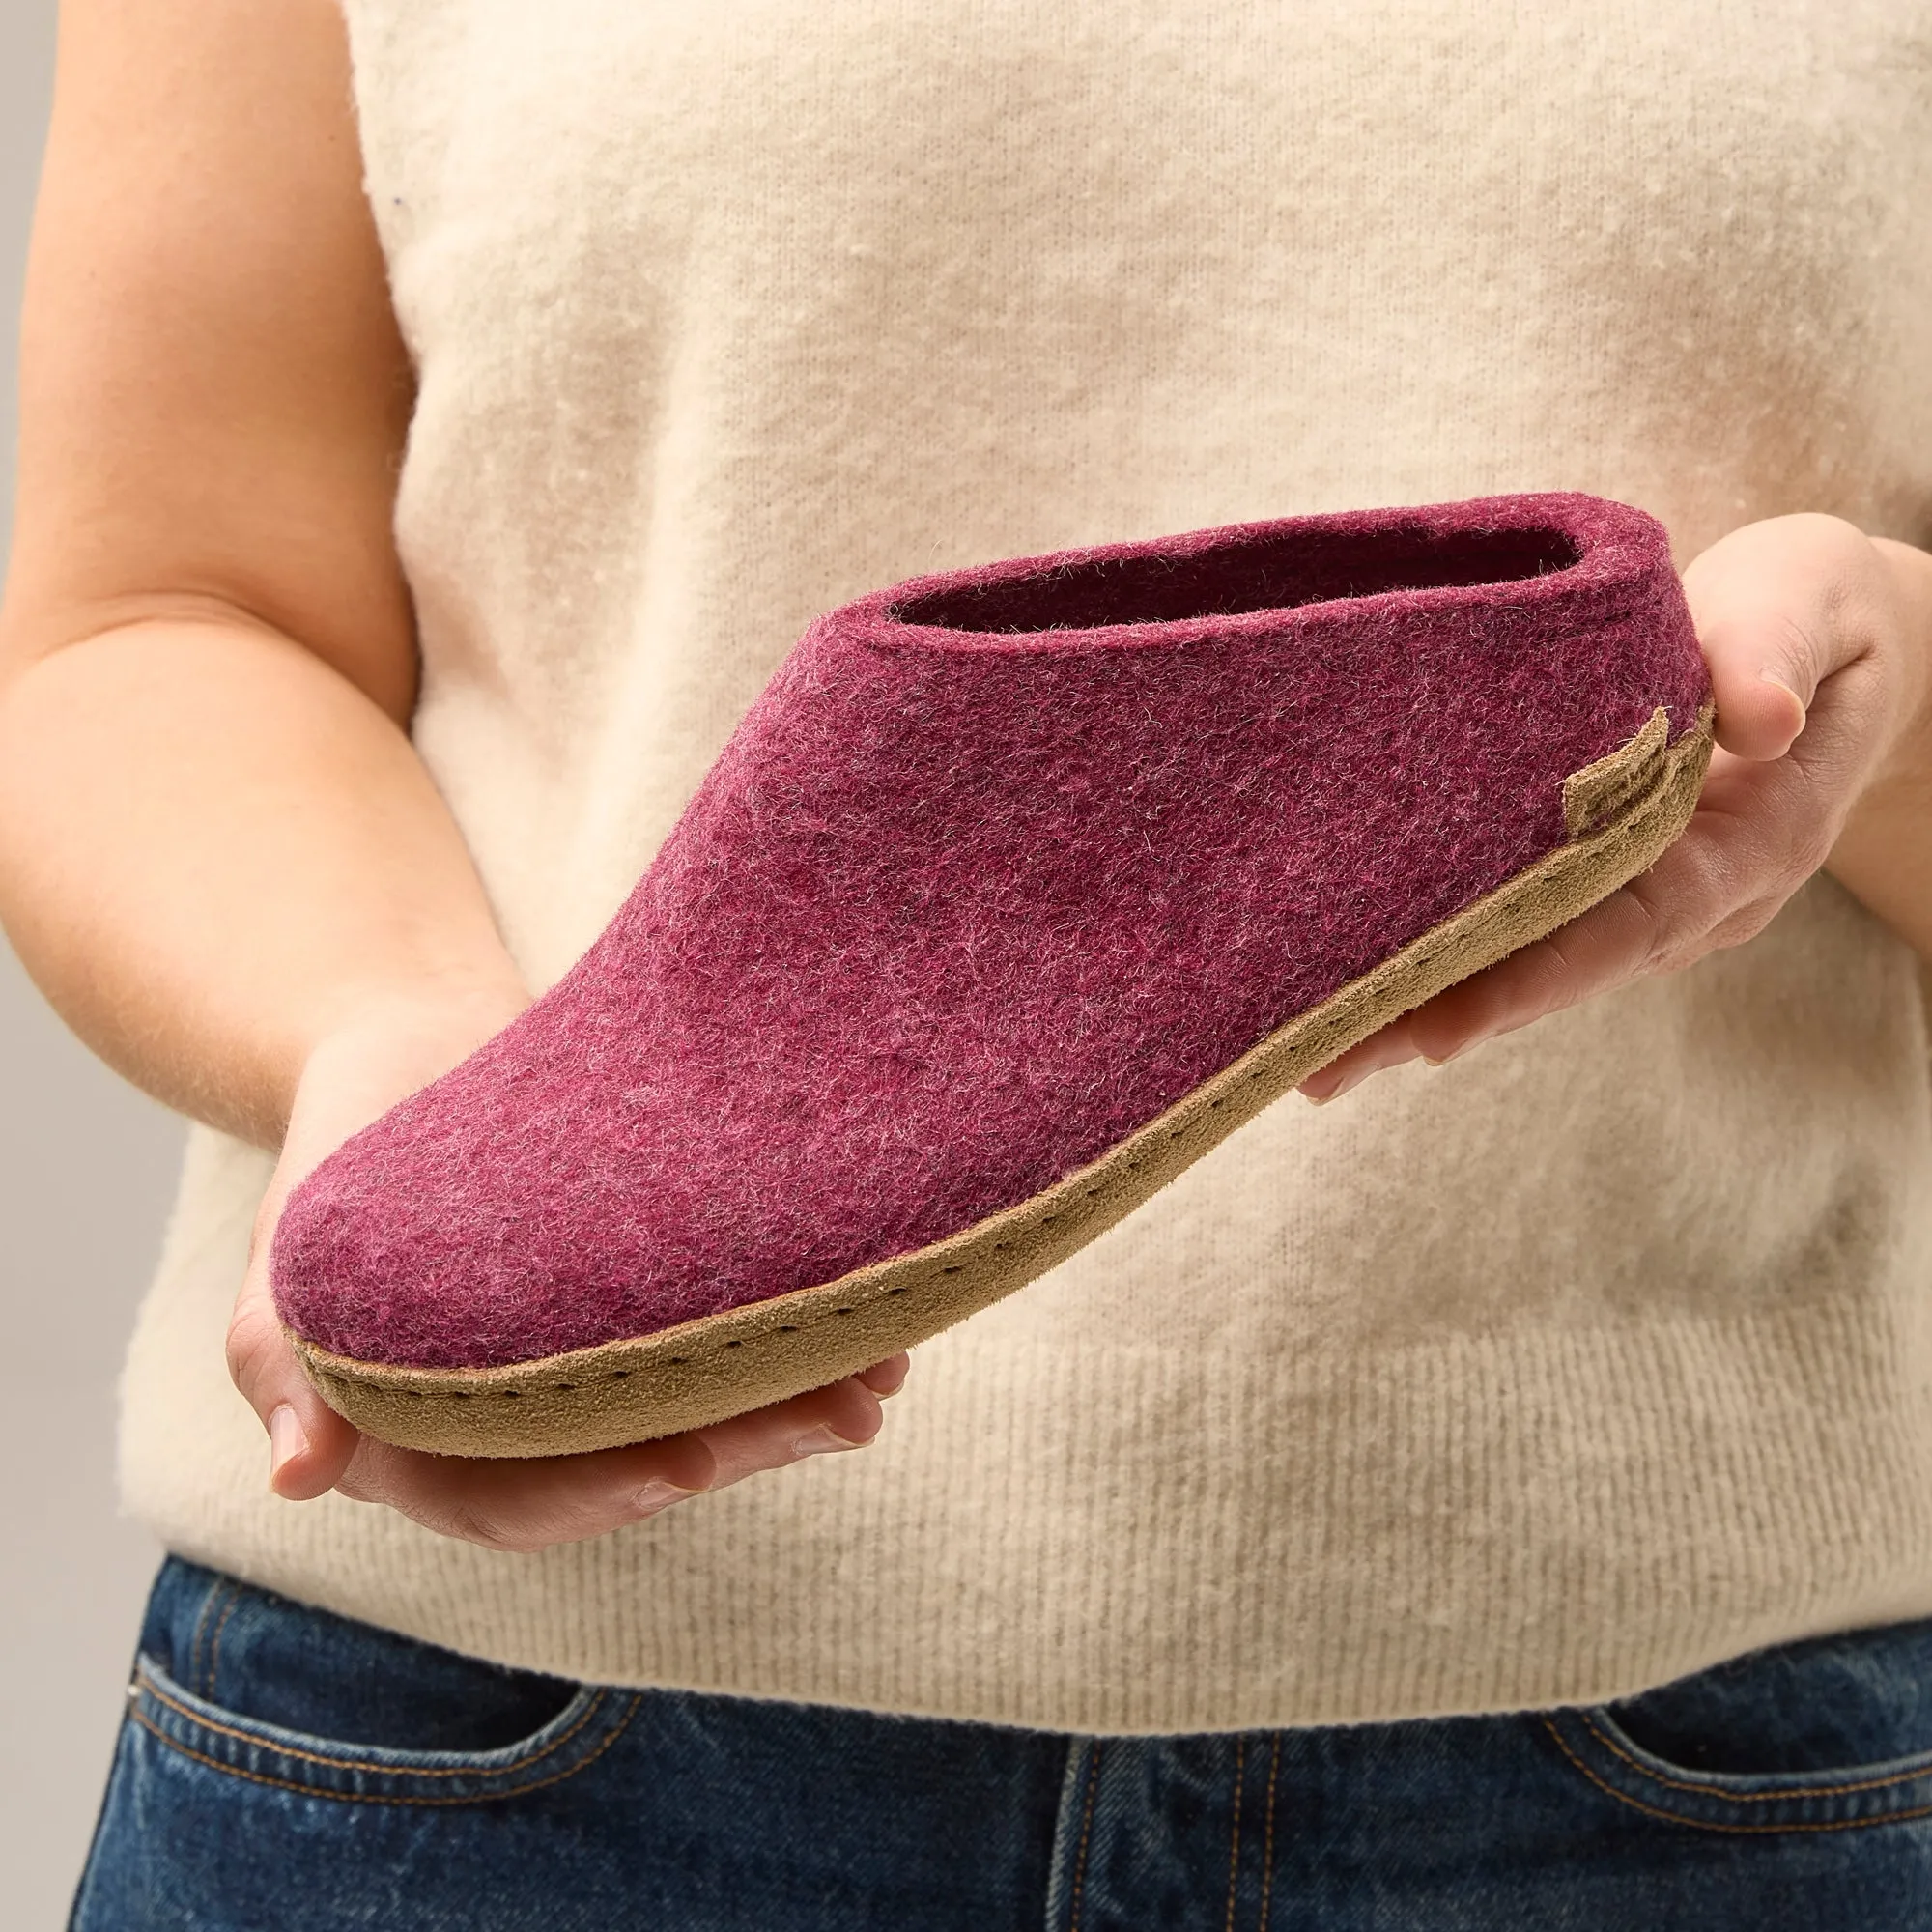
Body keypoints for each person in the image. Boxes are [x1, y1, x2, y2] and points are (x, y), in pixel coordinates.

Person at [4, 0, 1930, 1924]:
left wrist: (1887, 704)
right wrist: (395, 1037)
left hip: (1692, 1775)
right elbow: (162, 607)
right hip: (473, 1743)